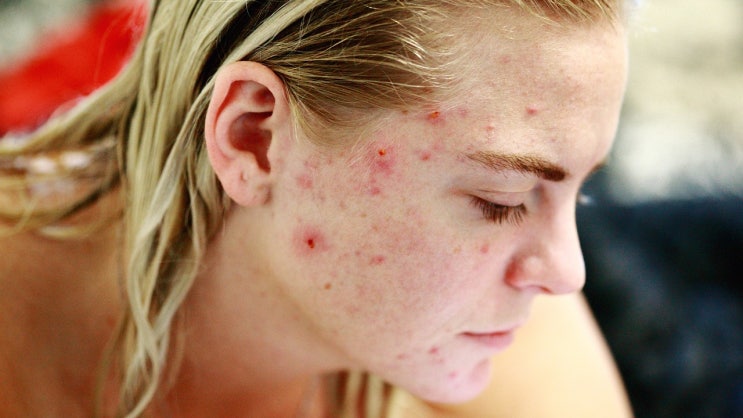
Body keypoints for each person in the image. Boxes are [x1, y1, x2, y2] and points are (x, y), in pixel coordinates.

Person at [0, 0, 634, 416]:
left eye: (580, 189)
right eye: (502, 201)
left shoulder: (500, 335)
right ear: (253, 137)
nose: (567, 273)